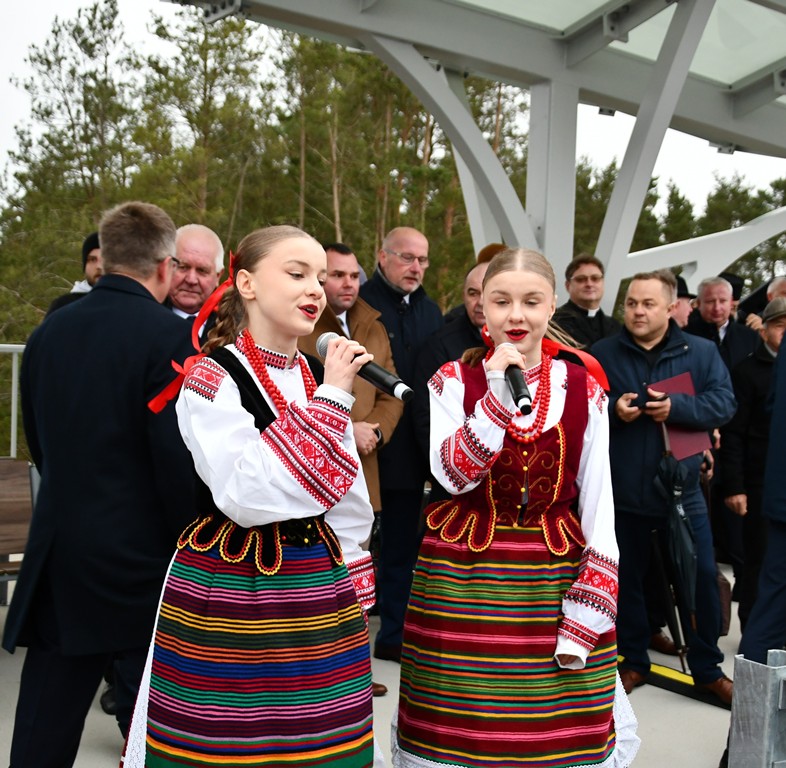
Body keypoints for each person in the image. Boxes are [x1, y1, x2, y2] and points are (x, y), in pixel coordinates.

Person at [122, 225, 378, 767]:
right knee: (230, 740)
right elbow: (244, 493)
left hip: (318, 583)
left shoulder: (316, 376)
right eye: (297, 273)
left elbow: (346, 487)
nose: (315, 289)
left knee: (322, 739)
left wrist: (353, 566)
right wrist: (333, 400)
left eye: (320, 277)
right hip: (233, 583)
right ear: (246, 283)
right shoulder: (212, 378)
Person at [395, 247, 639, 768]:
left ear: (552, 306)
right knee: (460, 731)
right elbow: (452, 477)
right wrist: (496, 402)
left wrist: (587, 611)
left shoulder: (584, 387)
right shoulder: (452, 381)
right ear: (481, 306)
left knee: (556, 734)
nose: (516, 315)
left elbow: (600, 504)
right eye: (501, 301)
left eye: (531, 301)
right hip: (463, 579)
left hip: (553, 579)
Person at [4, 202, 196, 767]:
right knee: (157, 729)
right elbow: (175, 460)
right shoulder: (171, 339)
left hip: (62, 551)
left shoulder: (49, 332)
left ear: (106, 258)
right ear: (164, 266)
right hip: (144, 561)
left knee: (45, 723)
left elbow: (40, 441)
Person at [593, 270, 736, 704]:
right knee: (626, 583)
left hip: (683, 493)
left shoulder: (701, 352)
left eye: (648, 304)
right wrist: (613, 410)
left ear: (671, 308)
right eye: (632, 303)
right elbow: (581, 407)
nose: (638, 311)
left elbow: (724, 403)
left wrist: (678, 407)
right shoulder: (602, 353)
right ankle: (633, 660)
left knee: (701, 579)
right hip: (622, 493)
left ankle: (707, 669)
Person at [300, 241, 404, 696]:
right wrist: (349, 428)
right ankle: (318, 671)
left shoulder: (372, 323)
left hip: (365, 465)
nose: (347, 283)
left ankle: (354, 669)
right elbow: (295, 395)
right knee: (319, 575)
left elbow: (389, 391)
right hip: (314, 465)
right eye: (336, 275)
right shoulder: (304, 324)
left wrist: (374, 430)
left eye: (353, 275)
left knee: (358, 568)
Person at [359, 226, 444, 662]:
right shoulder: (362, 305)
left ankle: (394, 636)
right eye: (407, 257)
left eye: (422, 260)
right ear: (382, 256)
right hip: (368, 445)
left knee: (401, 550)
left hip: (413, 450)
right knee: (357, 546)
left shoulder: (431, 312)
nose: (416, 267)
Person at [720, 297, 786, 630]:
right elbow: (733, 434)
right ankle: (752, 631)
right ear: (764, 331)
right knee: (757, 561)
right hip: (759, 483)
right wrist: (735, 486)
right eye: (780, 325)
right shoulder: (746, 372)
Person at [167, 223, 224, 344]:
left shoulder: (232, 329)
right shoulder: (143, 318)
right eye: (183, 267)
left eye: (202, 270)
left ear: (218, 276)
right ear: (167, 266)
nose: (191, 280)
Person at [552, 253, 621, 347]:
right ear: (568, 286)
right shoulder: (556, 322)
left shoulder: (616, 327)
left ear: (603, 283)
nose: (589, 284)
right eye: (581, 279)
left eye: (595, 278)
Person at [45, 231, 103, 315]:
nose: (99, 266)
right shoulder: (62, 306)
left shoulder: (122, 303)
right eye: (92, 260)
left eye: (105, 260)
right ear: (85, 265)